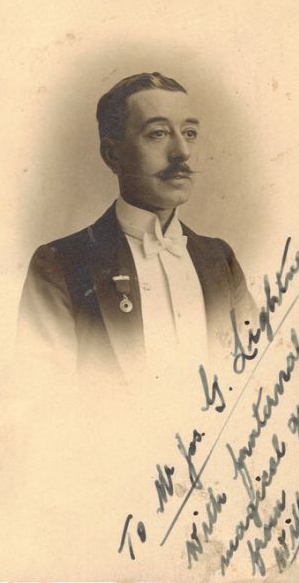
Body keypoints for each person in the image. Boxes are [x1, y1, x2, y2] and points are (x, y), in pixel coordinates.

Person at [17, 72, 255, 384]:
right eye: (158, 134)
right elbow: (43, 397)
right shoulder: (60, 264)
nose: (182, 152)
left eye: (190, 133)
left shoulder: (220, 260)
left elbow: (255, 376)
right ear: (112, 155)